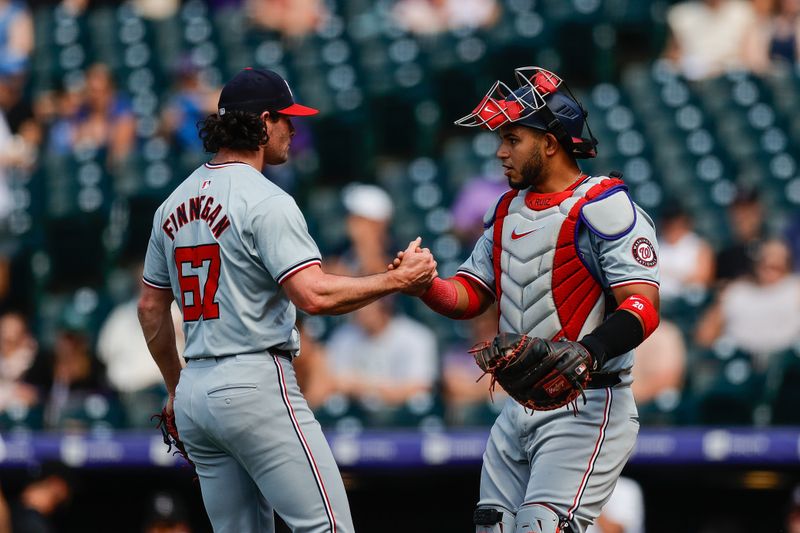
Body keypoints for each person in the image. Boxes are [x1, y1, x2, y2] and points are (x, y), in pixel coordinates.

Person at [137, 67, 437, 533]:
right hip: (253, 379)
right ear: (261, 121)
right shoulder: (266, 199)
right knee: (329, 528)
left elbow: (150, 308)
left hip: (196, 387)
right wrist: (397, 281)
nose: (293, 129)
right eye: (285, 118)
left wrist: (176, 387)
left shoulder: (171, 205)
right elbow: (313, 295)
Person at [394, 67, 661, 532]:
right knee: (493, 525)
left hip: (588, 402)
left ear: (550, 143)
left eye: (512, 138)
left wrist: (587, 350)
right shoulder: (504, 211)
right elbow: (471, 295)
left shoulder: (605, 206)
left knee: (540, 525)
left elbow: (642, 305)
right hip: (518, 406)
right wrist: (425, 285)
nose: (500, 151)